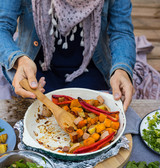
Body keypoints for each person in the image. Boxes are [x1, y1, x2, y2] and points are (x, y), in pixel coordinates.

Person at [0, 0, 136, 111]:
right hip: (36, 75)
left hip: (93, 73)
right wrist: (19, 60)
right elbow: (2, 27)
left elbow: (121, 32)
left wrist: (122, 69)